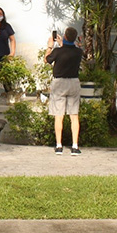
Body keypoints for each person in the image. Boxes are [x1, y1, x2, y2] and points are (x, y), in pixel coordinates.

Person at [44, 27, 84, 156]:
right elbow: (69, 51)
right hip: (73, 82)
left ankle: (59, 145)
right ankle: (75, 146)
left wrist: (50, 46)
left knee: (59, 115)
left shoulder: (57, 51)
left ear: (65, 36)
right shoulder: (78, 52)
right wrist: (63, 43)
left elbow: (47, 59)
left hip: (59, 83)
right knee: (74, 115)